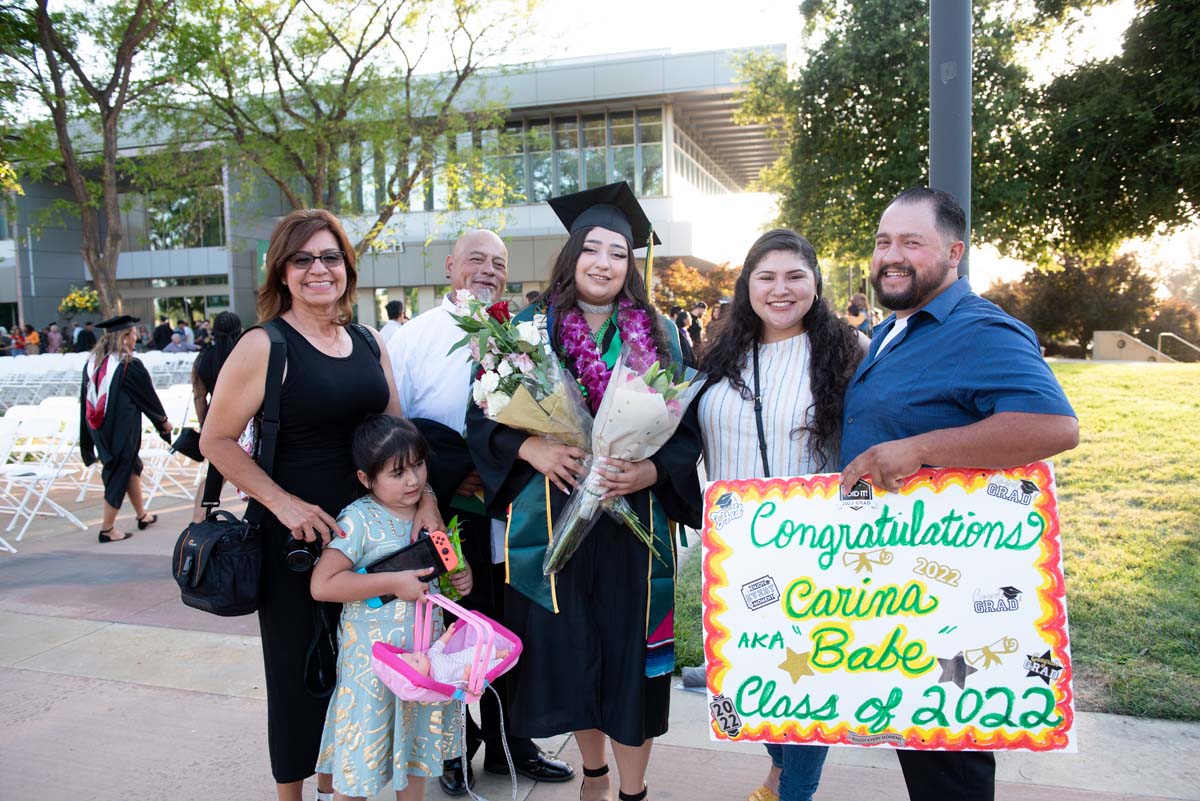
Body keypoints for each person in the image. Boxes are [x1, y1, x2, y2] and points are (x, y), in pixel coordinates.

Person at [836, 187, 1078, 801]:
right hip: (893, 576)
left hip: (948, 587)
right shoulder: (896, 328)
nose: (892, 255)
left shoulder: (981, 330)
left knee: (950, 763)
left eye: (912, 242)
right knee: (919, 740)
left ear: (954, 252)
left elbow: (1054, 426)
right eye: (884, 241)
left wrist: (919, 449)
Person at [467, 182, 702, 801]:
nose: (604, 262)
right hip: (554, 522)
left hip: (635, 529)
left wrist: (650, 473)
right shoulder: (525, 330)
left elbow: (687, 426)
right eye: (591, 248)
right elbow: (482, 418)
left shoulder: (662, 333)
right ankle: (593, 777)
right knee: (576, 659)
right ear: (571, 256)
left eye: (618, 252)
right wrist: (531, 448)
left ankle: (633, 789)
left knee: (630, 663)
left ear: (631, 264)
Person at [199, 208, 443, 801]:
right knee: (297, 678)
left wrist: (426, 499)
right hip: (296, 546)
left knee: (355, 677)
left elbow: (398, 430)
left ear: (347, 268)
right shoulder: (265, 344)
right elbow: (214, 439)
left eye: (329, 257)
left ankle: (342, 789)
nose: (318, 270)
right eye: (302, 258)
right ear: (282, 272)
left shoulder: (366, 341)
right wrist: (283, 504)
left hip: (374, 539)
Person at [388, 228, 573, 795]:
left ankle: (510, 743)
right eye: (476, 259)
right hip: (440, 511)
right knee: (448, 628)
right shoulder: (411, 338)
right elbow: (393, 430)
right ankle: (450, 749)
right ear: (450, 266)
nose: (487, 270)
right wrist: (443, 474)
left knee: (510, 627)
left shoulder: (522, 336)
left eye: (498, 262)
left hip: (511, 511)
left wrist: (498, 459)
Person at [694, 229, 867, 801]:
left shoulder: (850, 353)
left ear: (816, 284)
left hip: (814, 546)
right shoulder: (720, 355)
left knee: (807, 683)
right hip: (734, 547)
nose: (781, 289)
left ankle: (793, 793)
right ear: (748, 286)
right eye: (766, 276)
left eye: (795, 276)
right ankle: (778, 774)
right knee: (756, 678)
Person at [310, 414, 472, 801]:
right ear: (367, 479)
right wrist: (393, 583)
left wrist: (463, 580)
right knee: (361, 754)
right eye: (397, 473)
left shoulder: (427, 516)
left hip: (422, 662)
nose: (413, 480)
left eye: (418, 465)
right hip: (372, 667)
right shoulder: (358, 520)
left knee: (416, 751)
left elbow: (442, 579)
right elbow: (323, 584)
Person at [78, 315, 173, 543]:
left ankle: (142, 515)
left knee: (130, 467)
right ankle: (107, 529)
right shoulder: (128, 364)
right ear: (124, 337)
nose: (137, 337)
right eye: (133, 334)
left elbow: (83, 402)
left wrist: (87, 439)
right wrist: (162, 421)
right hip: (123, 429)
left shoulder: (92, 364)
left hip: (99, 429)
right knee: (119, 470)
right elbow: (147, 397)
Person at [189, 311, 243, 523]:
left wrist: (205, 426)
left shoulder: (203, 358)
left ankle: (197, 521)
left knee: (216, 474)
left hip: (217, 419)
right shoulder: (245, 355)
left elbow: (199, 396)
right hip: (248, 420)